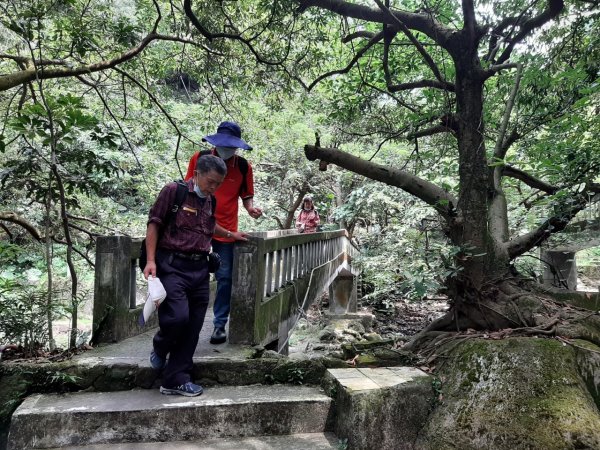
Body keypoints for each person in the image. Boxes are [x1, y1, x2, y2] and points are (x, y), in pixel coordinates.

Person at [144, 155, 243, 396]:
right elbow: (154, 223)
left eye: (218, 184)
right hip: (172, 265)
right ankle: (160, 347)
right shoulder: (173, 191)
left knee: (194, 326)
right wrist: (150, 260)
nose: (213, 188)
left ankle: (176, 378)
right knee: (177, 318)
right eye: (210, 182)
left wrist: (230, 234)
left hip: (199, 269)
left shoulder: (211, 200)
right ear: (197, 174)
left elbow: (210, 226)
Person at [185, 121, 262, 345]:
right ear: (216, 143)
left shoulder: (243, 167)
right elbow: (188, 187)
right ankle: (187, 321)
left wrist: (251, 209)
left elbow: (246, 195)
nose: (227, 150)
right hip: (196, 227)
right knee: (191, 274)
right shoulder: (199, 159)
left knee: (225, 278)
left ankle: (219, 325)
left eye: (232, 147)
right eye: (224, 145)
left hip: (227, 230)